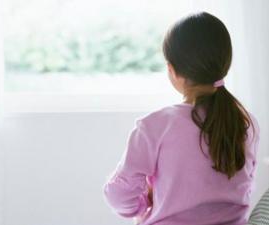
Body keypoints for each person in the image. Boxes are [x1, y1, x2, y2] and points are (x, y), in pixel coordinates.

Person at [103, 12, 260, 225]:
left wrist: (143, 205)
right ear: (224, 64)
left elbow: (119, 195)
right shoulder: (245, 122)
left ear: (172, 70)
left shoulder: (154, 126)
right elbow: (245, 186)